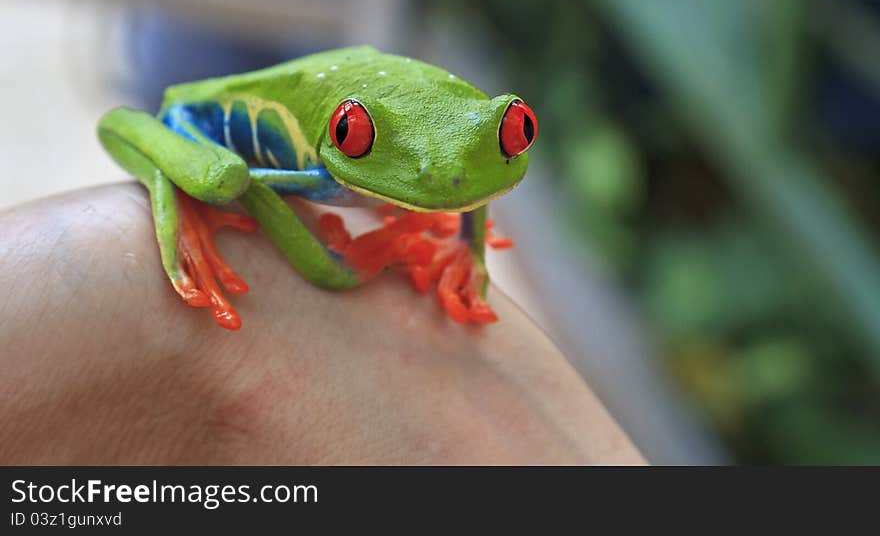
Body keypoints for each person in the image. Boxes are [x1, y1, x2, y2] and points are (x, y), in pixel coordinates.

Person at [0, 184, 643, 464]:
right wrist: (330, 265)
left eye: (515, 132)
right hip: (235, 140)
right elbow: (255, 184)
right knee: (222, 174)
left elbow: (465, 183)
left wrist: (465, 248)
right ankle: (174, 208)